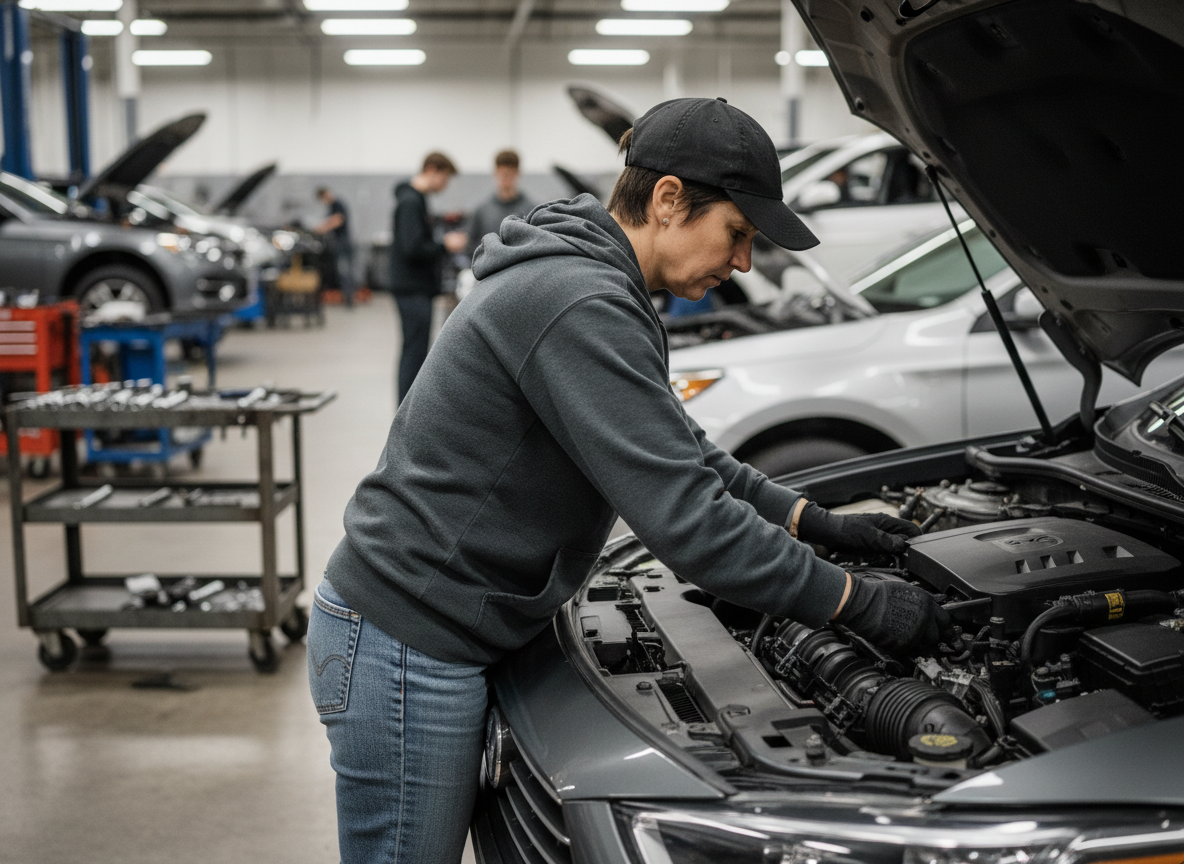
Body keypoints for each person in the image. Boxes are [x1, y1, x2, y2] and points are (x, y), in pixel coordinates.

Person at [307, 98, 950, 864]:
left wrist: (814, 521)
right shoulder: (578, 300)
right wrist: (856, 602)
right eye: (737, 233)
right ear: (669, 199)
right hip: (408, 641)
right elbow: (690, 524)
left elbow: (686, 454)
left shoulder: (596, 283)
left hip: (429, 629)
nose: (744, 263)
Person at [389, 152, 467, 403]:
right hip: (412, 289)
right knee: (414, 353)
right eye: (445, 178)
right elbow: (412, 247)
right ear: (432, 170)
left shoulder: (415, 200)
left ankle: (408, 409)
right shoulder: (411, 201)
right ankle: (406, 411)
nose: (445, 185)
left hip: (415, 288)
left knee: (415, 351)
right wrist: (445, 244)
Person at [465, 149, 536, 260]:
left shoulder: (532, 211)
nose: (506, 179)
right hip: (489, 268)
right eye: (503, 174)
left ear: (518, 173)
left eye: (510, 174)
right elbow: (471, 249)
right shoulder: (481, 212)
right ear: (495, 173)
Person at [314, 187, 354, 307]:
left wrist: (323, 228)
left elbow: (338, 220)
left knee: (344, 270)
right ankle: (346, 297)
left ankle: (349, 299)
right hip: (338, 241)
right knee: (341, 270)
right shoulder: (332, 206)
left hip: (342, 242)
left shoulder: (337, 204)